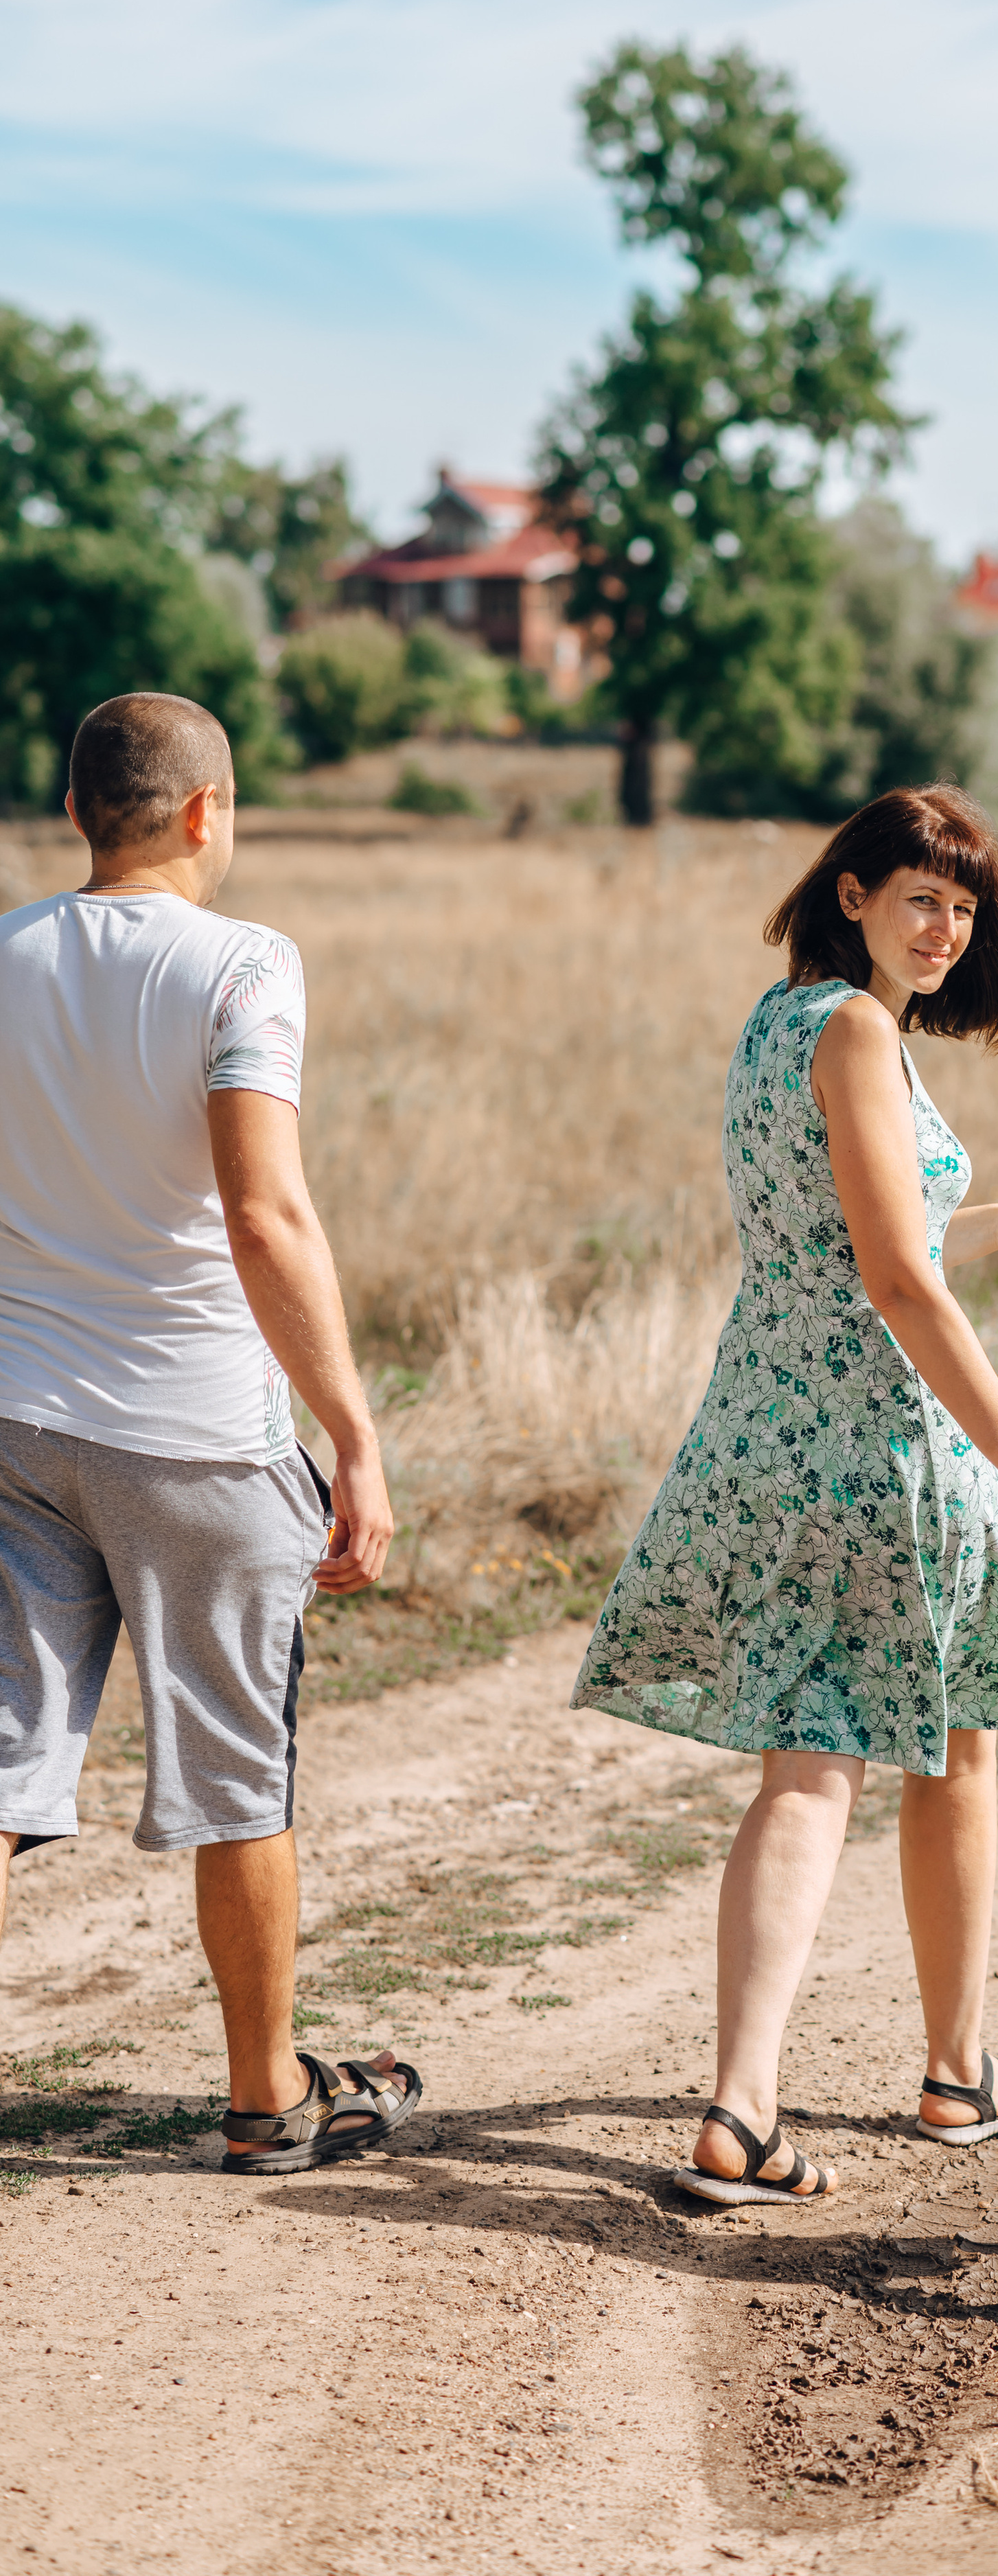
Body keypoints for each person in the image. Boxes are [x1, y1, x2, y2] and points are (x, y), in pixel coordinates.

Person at [574, 784, 998, 2205]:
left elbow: (837, 1228)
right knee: (942, 1752)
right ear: (853, 892)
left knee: (813, 1761)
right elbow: (889, 1278)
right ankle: (950, 2071)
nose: (945, 929)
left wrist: (991, 1224)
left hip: (766, 1423)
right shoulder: (859, 1030)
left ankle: (757, 2102)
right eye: (920, 899)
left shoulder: (780, 1020)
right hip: (879, 1442)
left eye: (965, 908)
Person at [0, 691, 418, 2174]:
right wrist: (352, 1433)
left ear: (76, 817)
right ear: (202, 812)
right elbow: (263, 1211)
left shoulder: (7, 955)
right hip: (193, 1430)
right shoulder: (245, 962)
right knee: (239, 1770)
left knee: (4, 1764)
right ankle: (264, 2099)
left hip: (19, 1420)